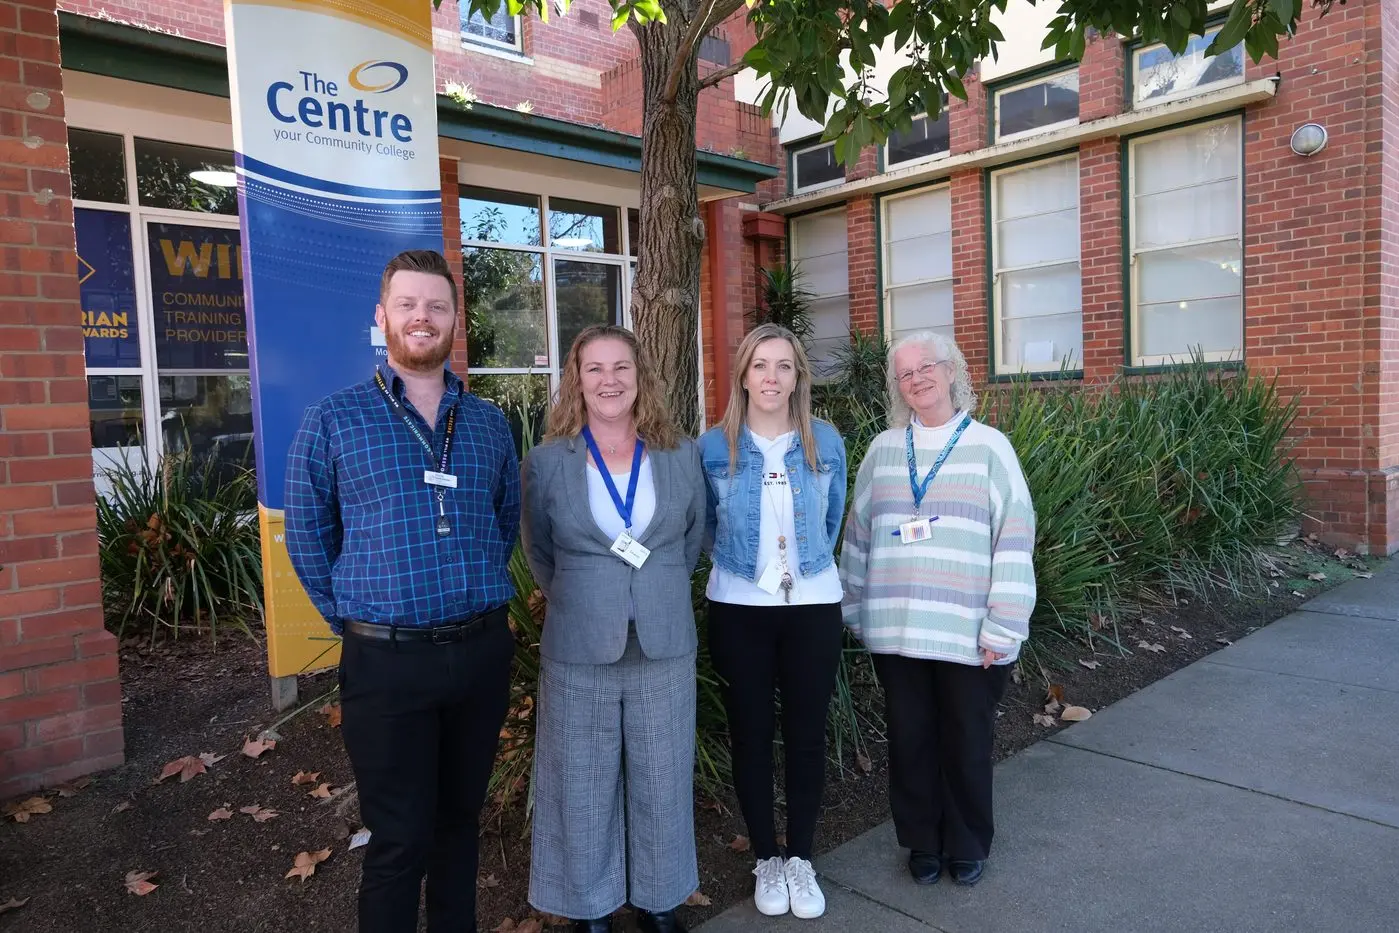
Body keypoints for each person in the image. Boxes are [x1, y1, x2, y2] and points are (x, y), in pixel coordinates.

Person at [284, 249, 520, 933]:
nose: (423, 317)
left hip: (479, 654)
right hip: (385, 666)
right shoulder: (333, 420)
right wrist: (361, 617)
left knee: (459, 826)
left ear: (454, 320)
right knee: (398, 839)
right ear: (382, 317)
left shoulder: (487, 424)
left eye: (437, 306)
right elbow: (308, 536)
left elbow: (499, 523)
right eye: (409, 304)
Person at [521, 324, 705, 933]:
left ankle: (659, 900)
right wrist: (587, 597)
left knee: (664, 779)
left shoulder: (680, 454)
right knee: (583, 782)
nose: (608, 380)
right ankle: (591, 909)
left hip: (664, 641)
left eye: (620, 367)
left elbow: (693, 537)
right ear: (576, 379)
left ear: (640, 376)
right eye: (594, 368)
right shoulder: (548, 463)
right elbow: (539, 550)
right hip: (580, 643)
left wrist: (652, 590)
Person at [839, 331, 1036, 889]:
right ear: (897, 387)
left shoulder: (990, 447)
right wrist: (854, 607)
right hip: (896, 630)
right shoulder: (881, 450)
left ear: (952, 372)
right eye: (906, 373)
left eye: (928, 366)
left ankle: (968, 843)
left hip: (969, 633)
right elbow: (859, 535)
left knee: (966, 743)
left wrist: (1005, 622)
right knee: (911, 742)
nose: (918, 378)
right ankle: (923, 841)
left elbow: (1015, 537)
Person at [697, 323, 846, 920]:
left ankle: (801, 859)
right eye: (761, 365)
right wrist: (739, 568)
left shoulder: (825, 441)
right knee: (751, 735)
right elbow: (705, 525)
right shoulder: (712, 446)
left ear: (798, 377)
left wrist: (806, 568)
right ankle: (766, 855)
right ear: (743, 375)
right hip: (738, 609)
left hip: (813, 606)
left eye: (784, 366)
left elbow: (832, 518)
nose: (772, 377)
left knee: (808, 734)